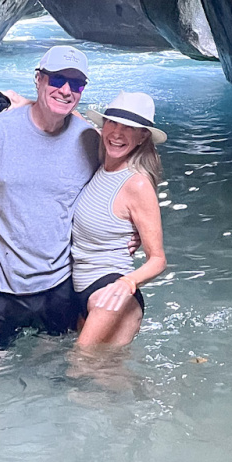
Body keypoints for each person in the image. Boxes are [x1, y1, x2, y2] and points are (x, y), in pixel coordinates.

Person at [0, 45, 99, 352]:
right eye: (58, 79)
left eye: (76, 84)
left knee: (50, 372)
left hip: (58, 282)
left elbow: (117, 183)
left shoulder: (90, 141)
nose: (66, 90)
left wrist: (129, 233)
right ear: (38, 79)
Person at [71, 92, 167, 349]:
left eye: (129, 128)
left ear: (142, 137)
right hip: (82, 286)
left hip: (111, 291)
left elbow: (158, 259)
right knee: (106, 379)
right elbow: (65, 111)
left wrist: (128, 283)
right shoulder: (103, 163)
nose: (117, 133)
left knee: (79, 370)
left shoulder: (137, 183)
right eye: (112, 123)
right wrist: (15, 99)